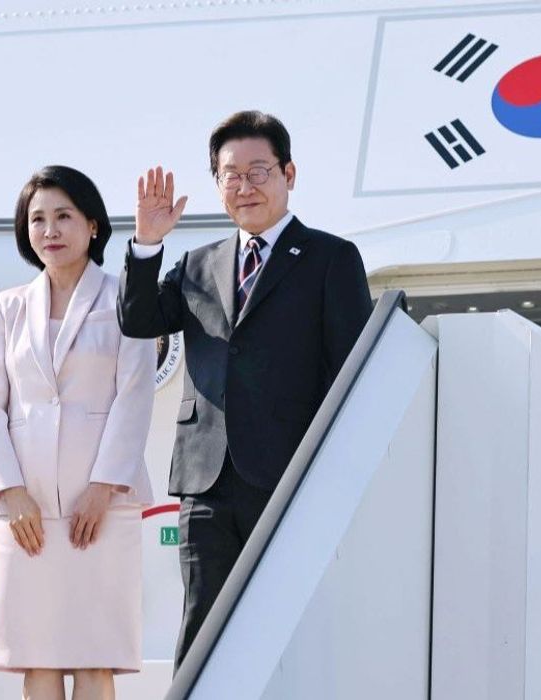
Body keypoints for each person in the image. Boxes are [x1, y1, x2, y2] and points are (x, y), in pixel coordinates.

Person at [117, 111, 374, 667]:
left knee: (289, 626)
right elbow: (137, 320)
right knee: (202, 630)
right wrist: (146, 242)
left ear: (289, 173)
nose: (244, 186)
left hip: (289, 478)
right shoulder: (196, 264)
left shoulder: (331, 259)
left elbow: (350, 370)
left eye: (259, 171)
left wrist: (329, 471)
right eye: (230, 174)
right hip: (206, 481)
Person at [0, 165, 155, 700]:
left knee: (96, 660)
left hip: (99, 504)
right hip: (26, 507)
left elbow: (135, 394)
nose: (49, 230)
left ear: (92, 225)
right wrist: (9, 490)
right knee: (38, 661)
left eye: (62, 216)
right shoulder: (7, 307)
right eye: (37, 220)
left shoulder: (124, 297)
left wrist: (105, 486)